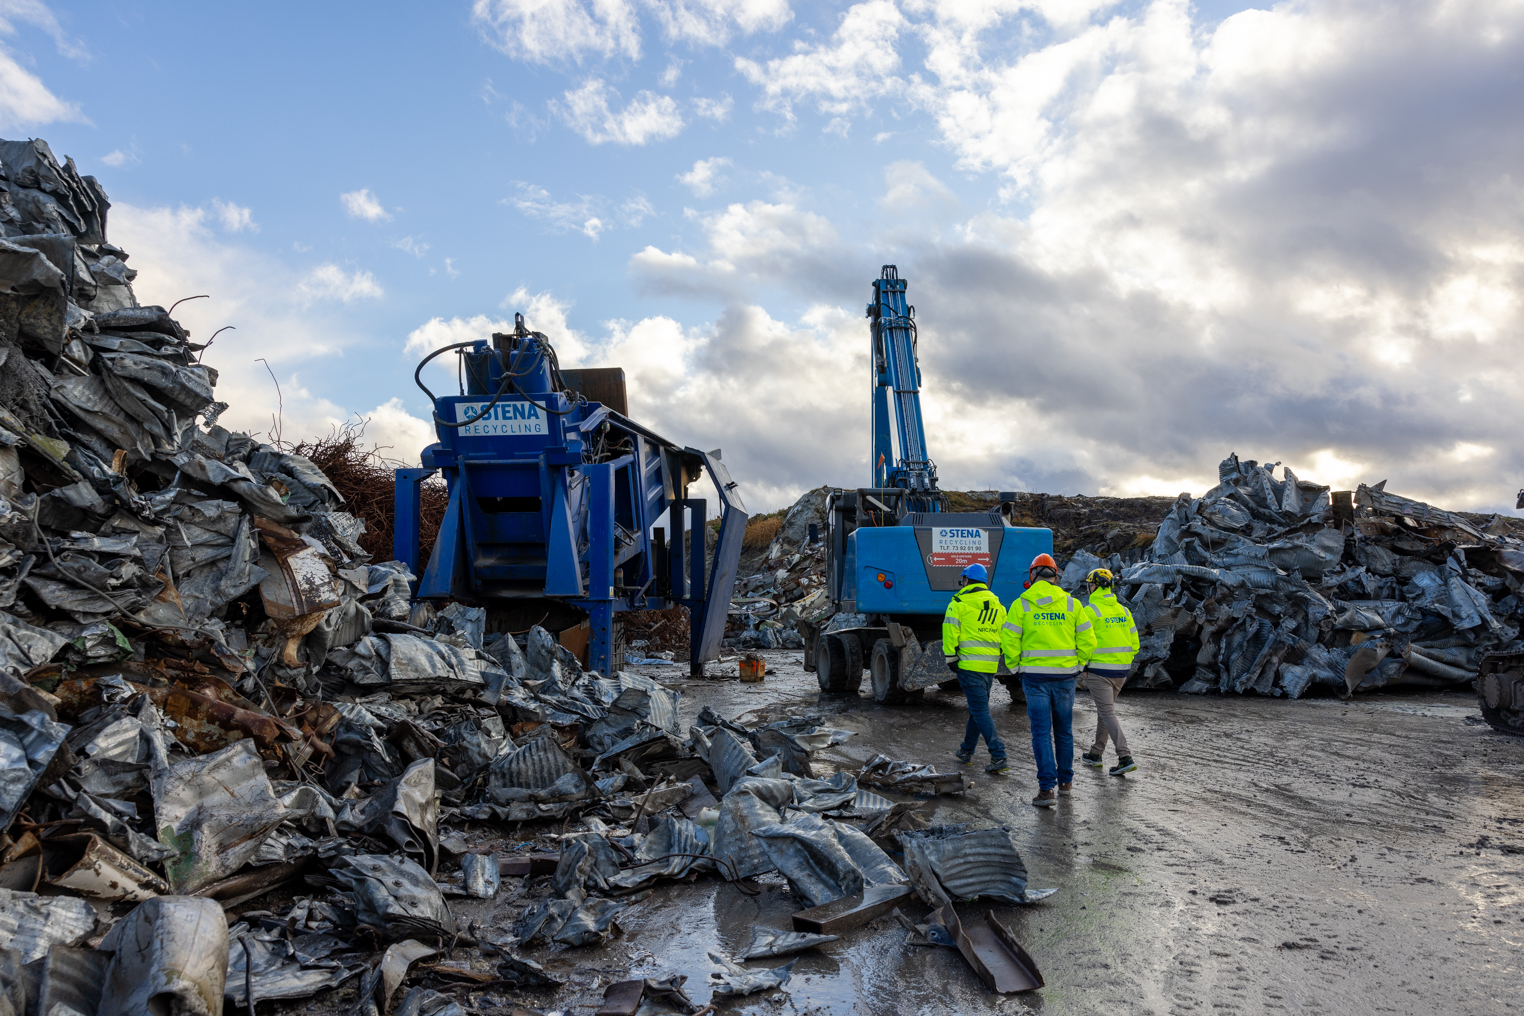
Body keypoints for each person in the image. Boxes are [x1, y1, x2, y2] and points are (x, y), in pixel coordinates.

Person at [1001, 553, 1095, 808]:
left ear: (1032, 576)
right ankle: (1065, 784)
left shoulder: (1022, 604)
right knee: (1064, 731)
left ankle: (1047, 791)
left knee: (1041, 733)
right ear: (1055, 576)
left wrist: (1015, 668)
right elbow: (1088, 640)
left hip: (1034, 678)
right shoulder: (1072, 605)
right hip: (1065, 677)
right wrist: (1077, 665)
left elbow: (1009, 641)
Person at [942, 563, 1010, 773]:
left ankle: (998, 755)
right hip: (989, 666)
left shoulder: (959, 602)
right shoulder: (998, 605)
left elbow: (950, 630)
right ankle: (966, 750)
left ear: (966, 580)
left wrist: (951, 658)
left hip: (969, 665)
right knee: (977, 709)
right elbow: (1005, 634)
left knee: (980, 710)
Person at [1078, 568, 1140, 776]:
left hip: (1099, 671)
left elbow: (1085, 642)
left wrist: (1084, 665)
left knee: (1107, 712)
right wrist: (1124, 661)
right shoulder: (1124, 611)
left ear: (1094, 586)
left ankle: (1125, 756)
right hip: (1121, 671)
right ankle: (1096, 753)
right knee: (1105, 711)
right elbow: (1135, 644)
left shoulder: (1090, 610)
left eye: (1089, 584)